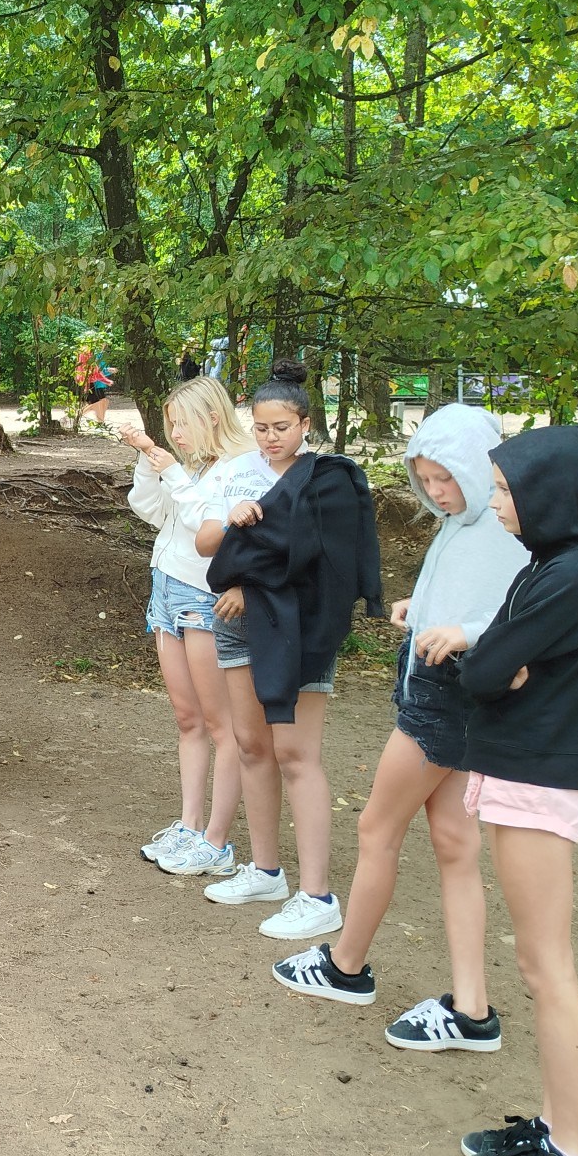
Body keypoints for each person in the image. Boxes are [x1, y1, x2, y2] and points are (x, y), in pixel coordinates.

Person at [273, 404, 526, 1050]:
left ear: (477, 468)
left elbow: (516, 616)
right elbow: (474, 599)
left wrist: (463, 632)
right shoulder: (464, 522)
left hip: (443, 701)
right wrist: (426, 609)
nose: (436, 491)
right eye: (426, 479)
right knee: (455, 843)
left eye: (447, 477)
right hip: (453, 696)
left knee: (377, 829)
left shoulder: (499, 528)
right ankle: (472, 1009)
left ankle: (346, 966)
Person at [454, 425, 578, 1156]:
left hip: (538, 778)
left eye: (505, 489)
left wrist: (496, 664)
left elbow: (484, 669)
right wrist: (498, 663)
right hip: (528, 770)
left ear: (550, 495)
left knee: (546, 968)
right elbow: (495, 660)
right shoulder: (555, 566)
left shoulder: (577, 574)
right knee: (541, 963)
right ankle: (556, 1128)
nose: (494, 502)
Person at [198, 360, 382, 939]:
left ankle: (318, 895)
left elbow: (325, 567)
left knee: (297, 755)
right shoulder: (239, 472)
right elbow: (212, 544)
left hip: (301, 629)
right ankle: (265, 871)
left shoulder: (329, 480)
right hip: (236, 626)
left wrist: (249, 583)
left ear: (305, 423)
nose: (270, 437)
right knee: (252, 747)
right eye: (260, 427)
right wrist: (234, 531)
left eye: (281, 427)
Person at [121, 376, 251, 875]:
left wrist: (173, 471)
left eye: (182, 423)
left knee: (223, 725)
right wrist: (147, 460)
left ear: (212, 417)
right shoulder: (193, 464)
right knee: (188, 718)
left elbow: (208, 530)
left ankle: (217, 841)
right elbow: (151, 511)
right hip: (165, 590)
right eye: (170, 425)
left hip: (205, 598)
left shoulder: (241, 468)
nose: (175, 433)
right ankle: (190, 824)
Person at [75, 346, 114, 426]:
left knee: (98, 402)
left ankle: (100, 423)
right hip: (88, 382)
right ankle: (74, 417)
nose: (104, 346)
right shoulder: (90, 353)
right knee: (96, 403)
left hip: (84, 381)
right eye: (103, 344)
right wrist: (106, 381)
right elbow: (96, 371)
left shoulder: (84, 351)